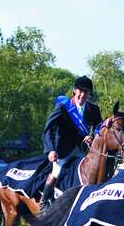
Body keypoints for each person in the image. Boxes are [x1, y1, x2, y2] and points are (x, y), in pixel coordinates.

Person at [40, 76, 103, 211]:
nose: (82, 95)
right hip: (63, 150)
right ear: (74, 91)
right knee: (55, 173)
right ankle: (44, 205)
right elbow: (48, 129)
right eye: (80, 91)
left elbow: (99, 130)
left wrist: (91, 137)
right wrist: (51, 150)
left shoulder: (94, 110)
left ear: (89, 94)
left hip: (82, 150)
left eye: (86, 92)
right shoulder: (63, 107)